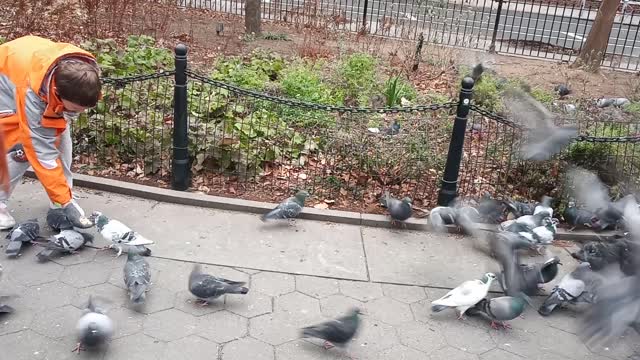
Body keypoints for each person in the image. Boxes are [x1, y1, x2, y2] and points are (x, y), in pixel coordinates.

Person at [0, 35, 102, 229]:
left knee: (61, 136)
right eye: (72, 109)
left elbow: (58, 128)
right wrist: (64, 200)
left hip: (26, 66)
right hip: (5, 88)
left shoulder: (86, 75)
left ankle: (62, 201)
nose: (75, 114)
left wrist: (63, 199)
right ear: (56, 92)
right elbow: (41, 150)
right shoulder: (32, 93)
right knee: (20, 146)